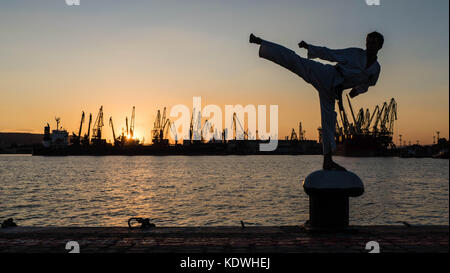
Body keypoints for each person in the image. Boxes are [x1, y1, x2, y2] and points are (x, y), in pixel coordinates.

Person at [250, 32, 383, 171]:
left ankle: (328, 161)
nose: (369, 45)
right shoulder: (356, 54)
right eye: (368, 42)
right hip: (327, 74)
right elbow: (331, 54)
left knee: (329, 122)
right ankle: (261, 42)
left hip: (332, 90)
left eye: (373, 43)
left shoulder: (376, 69)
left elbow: (368, 84)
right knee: (296, 61)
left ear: (380, 46)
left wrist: (356, 91)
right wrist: (310, 48)